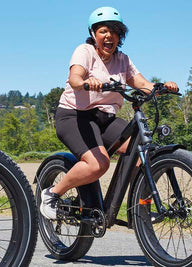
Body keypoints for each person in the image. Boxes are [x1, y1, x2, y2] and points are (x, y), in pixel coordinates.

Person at [40, 7, 179, 220]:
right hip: (75, 116)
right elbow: (75, 77)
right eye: (103, 31)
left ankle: (132, 207)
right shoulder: (84, 52)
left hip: (105, 119)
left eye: (114, 31)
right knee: (98, 164)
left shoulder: (122, 59)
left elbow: (141, 84)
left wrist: (161, 88)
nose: (109, 36)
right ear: (94, 34)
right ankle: (52, 194)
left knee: (141, 154)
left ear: (120, 36)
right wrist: (87, 82)